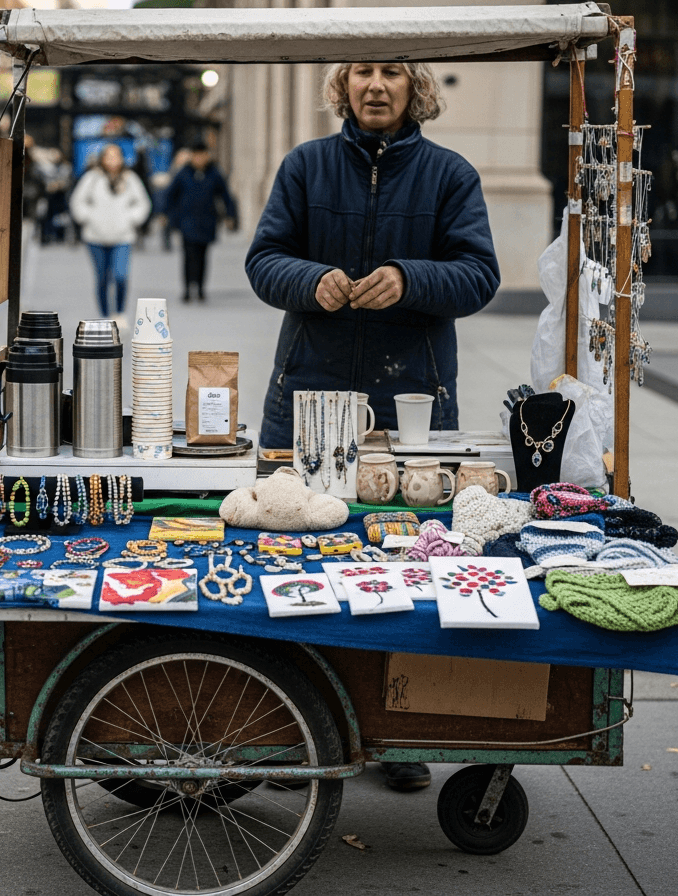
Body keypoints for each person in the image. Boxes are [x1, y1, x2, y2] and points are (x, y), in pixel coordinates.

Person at [245, 62, 501, 790]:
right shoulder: (305, 165)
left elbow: (480, 274)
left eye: (393, 72)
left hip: (410, 401)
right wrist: (309, 280)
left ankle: (395, 735)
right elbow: (264, 260)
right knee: (297, 559)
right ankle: (293, 732)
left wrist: (410, 279)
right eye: (363, 71)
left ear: (415, 87)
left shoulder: (451, 174)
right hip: (306, 395)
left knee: (400, 563)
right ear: (344, 85)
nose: (377, 85)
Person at [68, 143, 150, 320]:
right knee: (102, 278)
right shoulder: (92, 178)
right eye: (109, 156)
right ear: (102, 159)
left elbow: (143, 203)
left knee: (120, 276)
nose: (113, 160)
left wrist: (132, 219)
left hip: (123, 236)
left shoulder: (130, 178)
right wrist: (87, 217)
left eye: (116, 156)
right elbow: (77, 201)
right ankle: (105, 315)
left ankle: (119, 313)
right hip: (95, 237)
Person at [164, 141, 237, 302]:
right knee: (189, 256)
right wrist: (168, 215)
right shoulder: (183, 173)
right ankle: (187, 288)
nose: (199, 159)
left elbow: (225, 195)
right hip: (187, 221)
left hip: (207, 221)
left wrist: (230, 215)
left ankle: (201, 288)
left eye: (202, 155)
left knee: (203, 256)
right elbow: (171, 194)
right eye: (196, 155)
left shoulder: (214, 173)